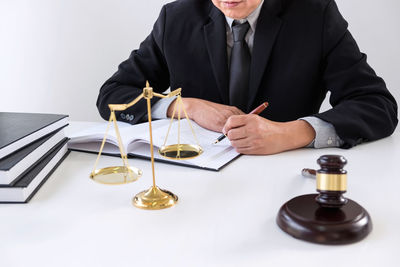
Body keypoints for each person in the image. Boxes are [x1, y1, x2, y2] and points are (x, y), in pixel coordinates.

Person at [97, 0, 398, 155]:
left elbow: (377, 105)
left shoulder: (314, 14)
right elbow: (113, 94)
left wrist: (292, 133)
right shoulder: (177, 17)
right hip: (195, 184)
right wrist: (184, 107)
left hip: (284, 178)